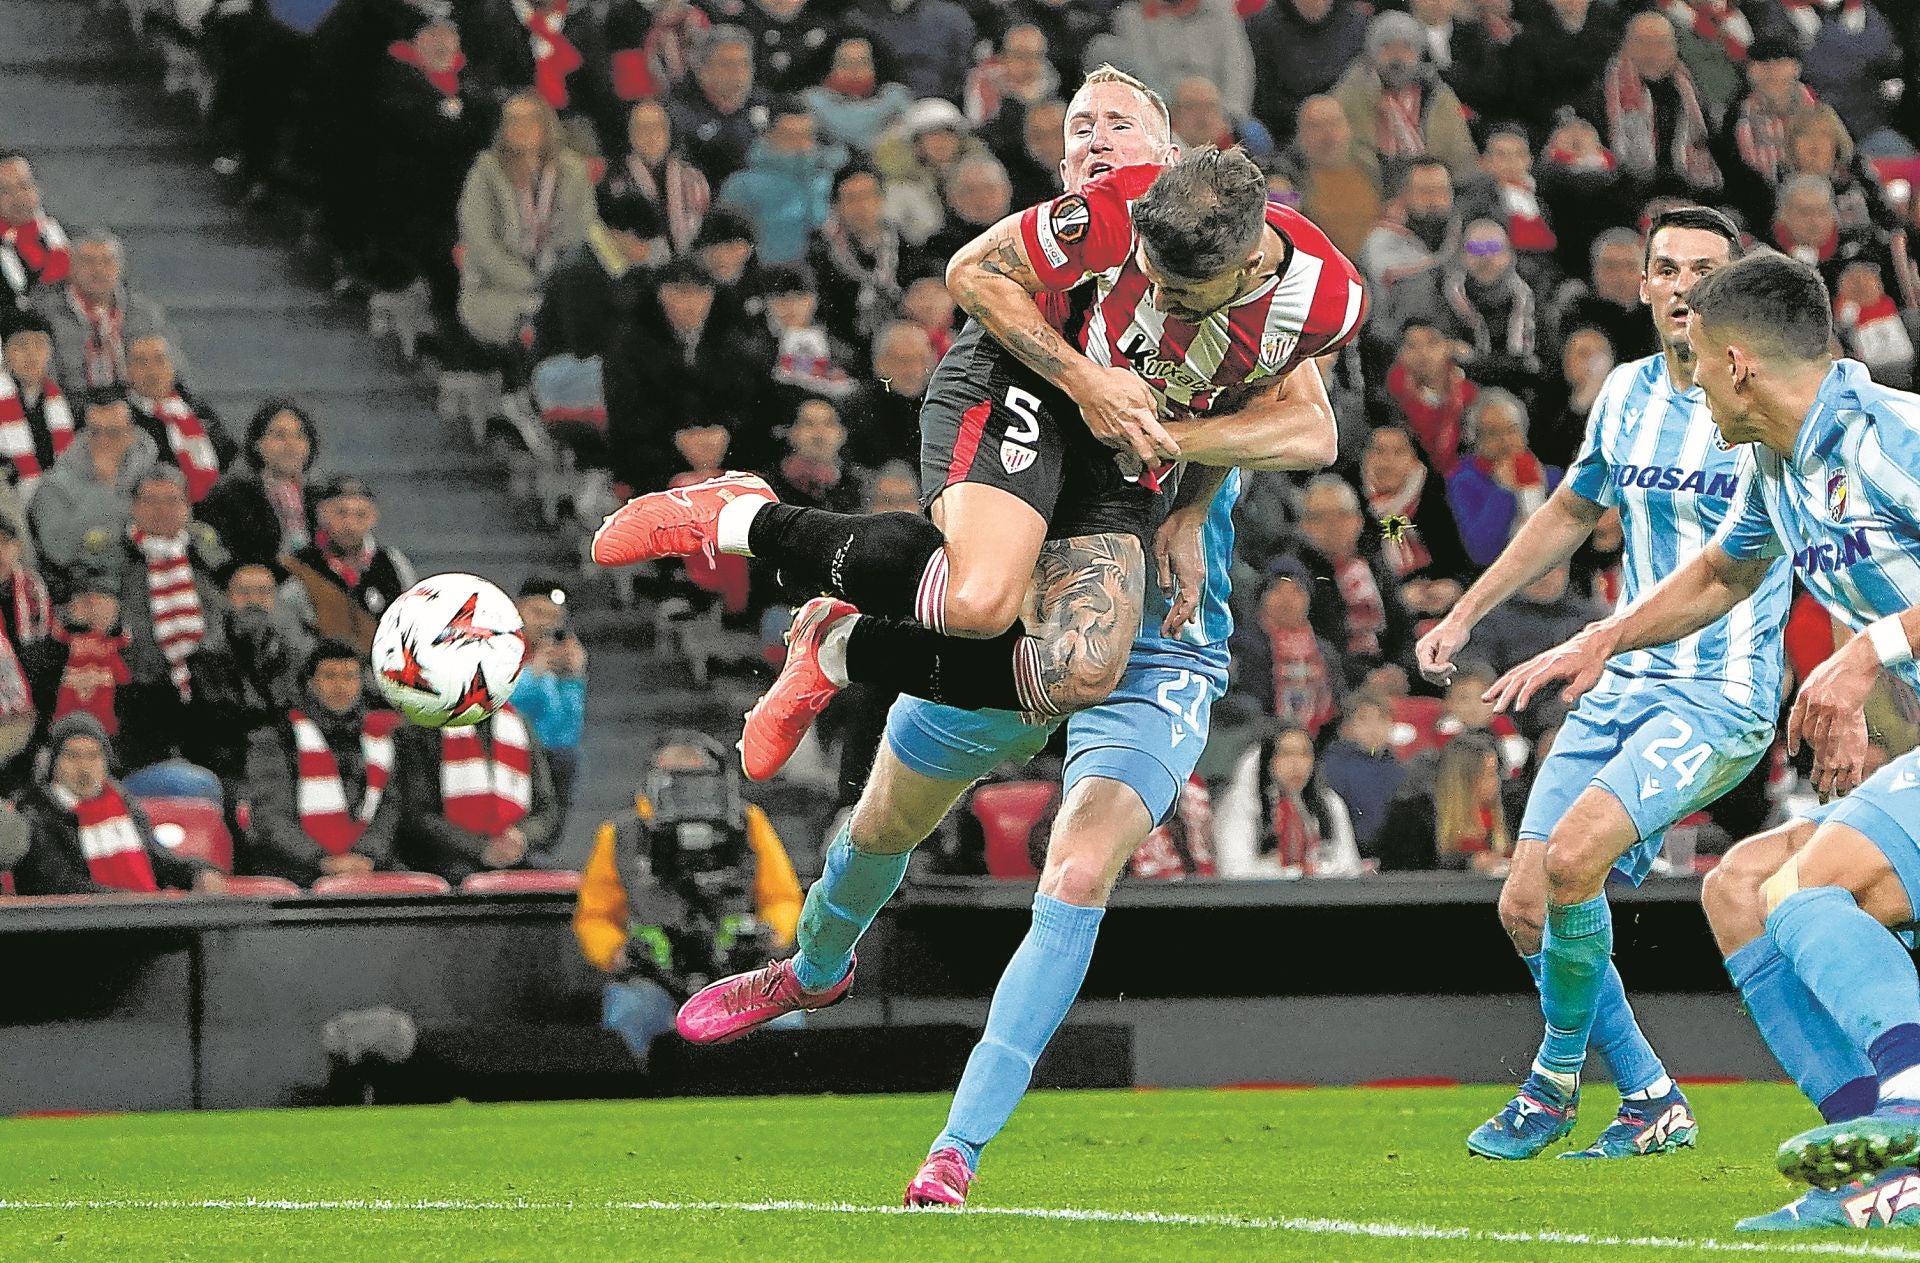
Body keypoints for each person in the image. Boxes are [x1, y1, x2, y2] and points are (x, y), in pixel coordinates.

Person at [652, 77, 1348, 1210]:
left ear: (1172, 159)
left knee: (1077, 868)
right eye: (1078, 127)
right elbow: (977, 302)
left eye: (1120, 124)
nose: (1095, 139)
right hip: (1029, 609)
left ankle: (956, 1148)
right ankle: (811, 969)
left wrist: (1182, 484)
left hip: (1165, 634)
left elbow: (1304, 417)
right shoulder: (1043, 276)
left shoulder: (1225, 267)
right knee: (882, 825)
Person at [595, 85, 1360, 779]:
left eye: (1118, 126)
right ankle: (742, 516)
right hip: (1025, 382)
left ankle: (836, 645)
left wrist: (1190, 500)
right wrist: (1089, 382)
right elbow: (970, 274)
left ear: (1243, 262)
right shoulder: (1111, 211)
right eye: (1080, 127)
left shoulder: (1319, 298)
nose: (1155, 293)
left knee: (1079, 671)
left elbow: (1287, 423)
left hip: (1128, 439)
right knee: (979, 602)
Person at [1488, 252, 1920, 1229]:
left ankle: (1913, 1113)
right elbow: (1722, 574)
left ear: (1737, 364)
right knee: (1739, 889)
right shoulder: (1777, 464)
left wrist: (1867, 656)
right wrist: (1603, 636)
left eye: (1692, 359)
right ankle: (1877, 1169)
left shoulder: (1890, 435)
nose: (1684, 381)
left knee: (1813, 889)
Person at [1417, 206, 1786, 1162]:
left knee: (1575, 862)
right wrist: (1468, 612)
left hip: (1719, 691)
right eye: (1665, 267)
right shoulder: (1623, 393)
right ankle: (1653, 1097)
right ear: (1645, 282)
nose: (1681, 284)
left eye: (1704, 268)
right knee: (1528, 904)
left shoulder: (1772, 401)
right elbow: (1567, 513)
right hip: (1622, 677)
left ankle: (1549, 1086)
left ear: (1734, 285)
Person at [573, 732, 803, 1068]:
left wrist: (770, 932)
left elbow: (782, 897)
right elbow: (594, 916)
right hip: (654, 972)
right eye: (673, 776)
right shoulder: (620, 833)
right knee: (630, 1011)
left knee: (782, 1021)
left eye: (694, 775)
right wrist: (618, 952)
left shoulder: (748, 823)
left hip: (738, 968)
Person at [240, 640, 402, 886]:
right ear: (310, 682)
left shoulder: (381, 739)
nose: (341, 686)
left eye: (350, 677)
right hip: (294, 868)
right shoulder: (276, 738)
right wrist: (322, 860)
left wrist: (366, 855)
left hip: (369, 864)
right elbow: (270, 817)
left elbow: (389, 810)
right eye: (330, 676)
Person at [11, 711, 224, 896]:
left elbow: (159, 860)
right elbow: (58, 885)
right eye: (72, 756)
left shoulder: (123, 803)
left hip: (139, 920)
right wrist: (129, 903)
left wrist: (199, 872)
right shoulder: (35, 814)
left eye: (93, 756)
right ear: (54, 763)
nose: (84, 768)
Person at [456, 92, 596, 357]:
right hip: (498, 288)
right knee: (533, 324)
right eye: (513, 121)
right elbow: (482, 247)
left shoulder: (573, 170)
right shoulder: (484, 173)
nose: (520, 128)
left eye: (529, 121)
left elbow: (580, 231)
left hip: (558, 284)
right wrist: (529, 281)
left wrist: (551, 280)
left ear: (547, 127)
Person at [394, 703, 561, 883]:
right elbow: (417, 816)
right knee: (464, 879)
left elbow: (546, 809)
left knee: (543, 880)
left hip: (514, 851)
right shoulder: (420, 727)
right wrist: (480, 847)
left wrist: (522, 837)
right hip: (447, 856)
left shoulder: (519, 724)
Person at [278, 476, 416, 655]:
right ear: (323, 515)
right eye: (341, 513)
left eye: (360, 515)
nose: (349, 525)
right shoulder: (301, 565)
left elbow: (412, 621)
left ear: (373, 518)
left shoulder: (392, 562)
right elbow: (289, 630)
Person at [30, 230, 179, 392]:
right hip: (68, 408)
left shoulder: (146, 314)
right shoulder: (45, 313)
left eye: (107, 261)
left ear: (120, 268)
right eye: (89, 261)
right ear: (71, 267)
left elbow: (173, 370)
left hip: (134, 408)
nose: (98, 270)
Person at [1212, 725, 1362, 878]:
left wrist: (1317, 871)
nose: (1297, 764)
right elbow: (1234, 870)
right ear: (1267, 759)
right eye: (1286, 754)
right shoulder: (1241, 802)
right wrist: (1296, 873)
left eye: (1305, 754)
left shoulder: (1330, 803)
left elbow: (1350, 865)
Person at [197, 400, 319, 568]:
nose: (292, 445)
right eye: (279, 436)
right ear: (257, 444)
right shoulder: (230, 499)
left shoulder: (320, 500)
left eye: (299, 436)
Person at [509, 577, 587, 833]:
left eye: (554, 617)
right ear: (516, 609)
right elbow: (497, 707)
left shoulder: (556, 657)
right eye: (538, 613)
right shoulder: (499, 648)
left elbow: (567, 732)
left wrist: (574, 679)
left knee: (566, 757)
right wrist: (533, 675)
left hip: (550, 756)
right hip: (508, 752)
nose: (546, 623)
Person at [1373, 730, 1512, 873]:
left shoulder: (1504, 813)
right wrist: (1467, 864)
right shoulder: (1415, 818)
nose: (1496, 782)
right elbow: (1411, 872)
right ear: (1464, 780)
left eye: (1495, 774)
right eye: (1488, 775)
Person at [0, 309, 74, 504]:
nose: (31, 354)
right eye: (21, 345)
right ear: (5, 353)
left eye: (39, 345)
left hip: (56, 502)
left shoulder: (62, 402)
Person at [0, 153, 70, 311]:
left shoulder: (63, 235)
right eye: (5, 191)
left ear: (37, 188)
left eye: (24, 186)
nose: (18, 198)